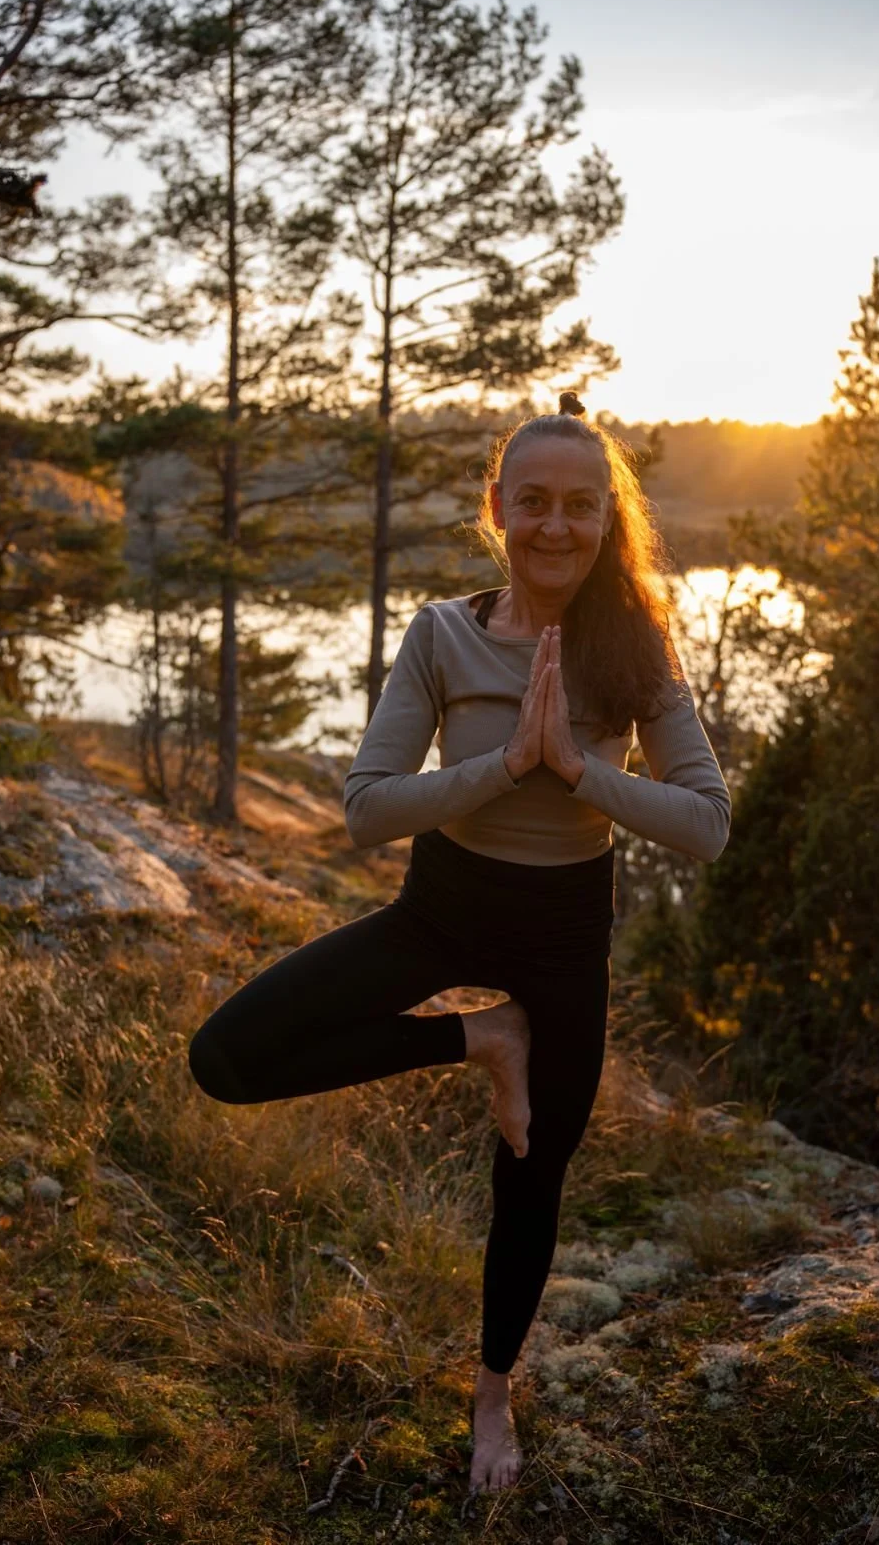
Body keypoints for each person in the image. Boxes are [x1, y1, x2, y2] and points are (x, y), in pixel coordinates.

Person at [187, 392, 732, 1494]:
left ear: (607, 519)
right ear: (497, 508)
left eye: (579, 506)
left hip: (564, 939)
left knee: (530, 1177)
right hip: (440, 911)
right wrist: (504, 766)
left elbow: (706, 823)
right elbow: (366, 807)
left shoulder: (637, 645)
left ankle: (491, 1396)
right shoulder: (440, 633)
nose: (554, 526)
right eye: (531, 501)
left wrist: (577, 772)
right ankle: (485, 1038)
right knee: (226, 1058)